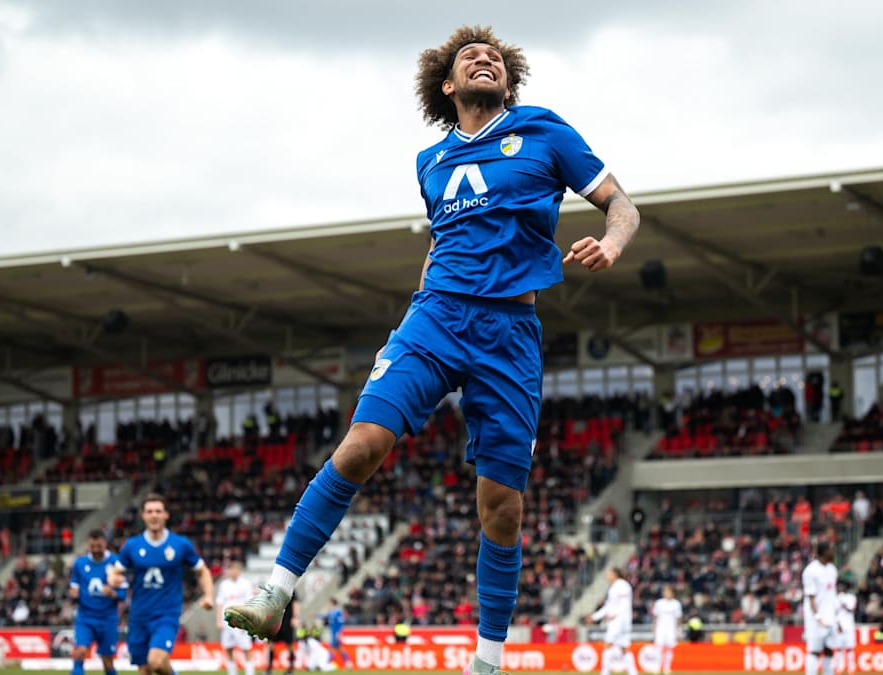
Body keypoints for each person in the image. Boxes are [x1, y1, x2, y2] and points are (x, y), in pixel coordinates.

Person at [225, 23, 640, 675]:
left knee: (501, 507)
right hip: (435, 318)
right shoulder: (431, 161)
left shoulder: (546, 131)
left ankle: (487, 659)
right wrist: (419, 312)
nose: (486, 58)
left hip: (510, 333)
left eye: (496, 57)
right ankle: (277, 589)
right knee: (361, 444)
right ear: (447, 85)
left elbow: (623, 205)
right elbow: (443, 242)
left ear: (508, 79)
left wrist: (611, 243)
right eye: (470, 56)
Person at [108, 494, 214, 675]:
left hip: (166, 615)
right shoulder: (132, 546)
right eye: (149, 511)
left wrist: (209, 595)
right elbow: (115, 571)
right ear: (143, 516)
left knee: (156, 662)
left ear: (166, 515)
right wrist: (113, 580)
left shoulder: (180, 544)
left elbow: (202, 570)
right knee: (145, 670)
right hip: (138, 616)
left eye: (158, 511)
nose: (154, 515)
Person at [69, 529, 126, 675]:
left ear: (105, 544)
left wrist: (112, 593)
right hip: (85, 618)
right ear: (88, 545)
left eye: (98, 546)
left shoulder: (115, 562)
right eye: (92, 546)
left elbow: (123, 594)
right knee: (80, 652)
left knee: (107, 662)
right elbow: (74, 588)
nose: (95, 550)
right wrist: (73, 595)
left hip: (107, 618)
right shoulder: (79, 564)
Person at [586, 568, 638, 675]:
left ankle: (605, 672)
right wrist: (595, 617)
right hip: (622, 621)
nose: (607, 576)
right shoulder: (614, 587)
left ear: (614, 574)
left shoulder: (622, 586)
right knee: (624, 648)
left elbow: (624, 604)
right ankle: (633, 672)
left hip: (619, 621)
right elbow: (608, 607)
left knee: (608, 644)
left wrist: (614, 615)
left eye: (609, 573)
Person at [802, 542, 838, 675]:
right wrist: (818, 617)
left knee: (829, 649)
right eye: (830, 550)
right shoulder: (810, 571)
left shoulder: (832, 569)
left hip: (830, 617)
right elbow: (810, 597)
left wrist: (836, 618)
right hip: (815, 618)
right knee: (814, 650)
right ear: (824, 552)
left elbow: (832, 594)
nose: (833, 553)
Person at [217, 561, 258, 675]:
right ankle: (232, 672)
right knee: (228, 648)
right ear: (228, 571)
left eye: (236, 569)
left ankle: (250, 672)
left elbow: (249, 602)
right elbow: (220, 603)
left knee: (246, 648)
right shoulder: (223, 585)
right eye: (231, 569)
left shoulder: (245, 584)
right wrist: (218, 621)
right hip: (226, 621)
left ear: (239, 571)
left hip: (241, 622)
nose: (234, 572)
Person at [650, 585, 682, 675]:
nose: (666, 593)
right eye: (665, 592)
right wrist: (654, 627)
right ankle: (657, 667)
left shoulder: (676, 604)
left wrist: (678, 630)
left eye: (668, 592)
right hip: (661, 628)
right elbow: (655, 616)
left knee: (669, 649)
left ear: (672, 593)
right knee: (658, 648)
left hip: (671, 629)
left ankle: (667, 668)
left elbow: (678, 618)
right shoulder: (659, 603)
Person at [265, 600, 299, 675]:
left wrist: (295, 617)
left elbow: (296, 602)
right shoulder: (273, 589)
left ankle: (290, 669)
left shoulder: (290, 589)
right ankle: (269, 668)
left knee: (289, 645)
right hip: (275, 621)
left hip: (287, 622)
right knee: (270, 643)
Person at [319, 598, 352, 669]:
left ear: (332, 603)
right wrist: (316, 615)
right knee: (340, 649)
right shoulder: (331, 612)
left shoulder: (338, 612)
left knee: (332, 648)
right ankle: (348, 663)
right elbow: (325, 616)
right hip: (333, 633)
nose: (328, 604)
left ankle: (327, 663)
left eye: (329, 603)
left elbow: (341, 623)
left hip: (336, 633)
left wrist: (339, 633)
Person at [833, 579, 857, 675]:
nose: (841, 588)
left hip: (849, 626)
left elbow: (851, 609)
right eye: (840, 586)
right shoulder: (836, 598)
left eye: (843, 586)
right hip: (839, 627)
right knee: (839, 648)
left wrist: (844, 604)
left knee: (850, 648)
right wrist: (837, 624)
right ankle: (840, 667)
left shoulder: (851, 597)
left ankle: (851, 668)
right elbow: (834, 613)